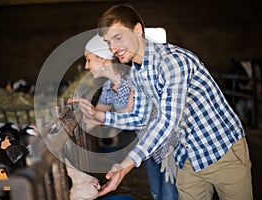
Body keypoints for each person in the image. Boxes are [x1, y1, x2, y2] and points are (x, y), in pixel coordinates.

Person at [69, 4, 253, 200]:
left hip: (221, 151)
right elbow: (141, 117)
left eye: (118, 38)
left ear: (137, 30)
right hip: (186, 157)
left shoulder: (172, 62)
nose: (113, 49)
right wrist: (99, 115)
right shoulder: (138, 73)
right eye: (108, 42)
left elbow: (167, 120)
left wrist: (127, 164)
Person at [83, 34, 178, 200]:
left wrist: (100, 116)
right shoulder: (108, 87)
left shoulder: (132, 77)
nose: (86, 66)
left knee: (170, 195)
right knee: (157, 194)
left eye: (89, 59)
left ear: (103, 58)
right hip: (146, 147)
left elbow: (130, 112)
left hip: (168, 145)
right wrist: (57, 132)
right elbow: (94, 118)